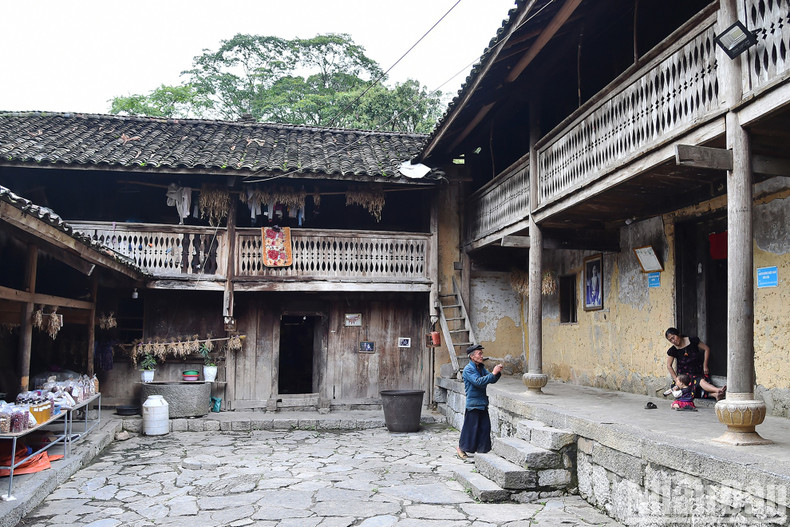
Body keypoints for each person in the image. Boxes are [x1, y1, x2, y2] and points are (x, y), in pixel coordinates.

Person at [456, 344, 502, 460]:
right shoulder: (468, 369)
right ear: (472, 357)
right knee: (470, 428)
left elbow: (491, 379)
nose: (482, 356)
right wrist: (493, 373)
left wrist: (496, 373)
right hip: (473, 404)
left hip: (482, 403)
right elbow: (478, 382)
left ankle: (482, 450)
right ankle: (461, 448)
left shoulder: (481, 368)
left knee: (484, 428)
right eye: (479, 353)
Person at [665, 327, 726, 401]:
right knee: (697, 382)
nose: (673, 341)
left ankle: (716, 393)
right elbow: (669, 366)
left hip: (698, 372)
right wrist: (676, 380)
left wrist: (705, 365)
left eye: (673, 337)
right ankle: (717, 391)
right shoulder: (673, 350)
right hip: (685, 377)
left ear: (678, 334)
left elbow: (706, 349)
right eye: (670, 340)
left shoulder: (692, 340)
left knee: (698, 383)